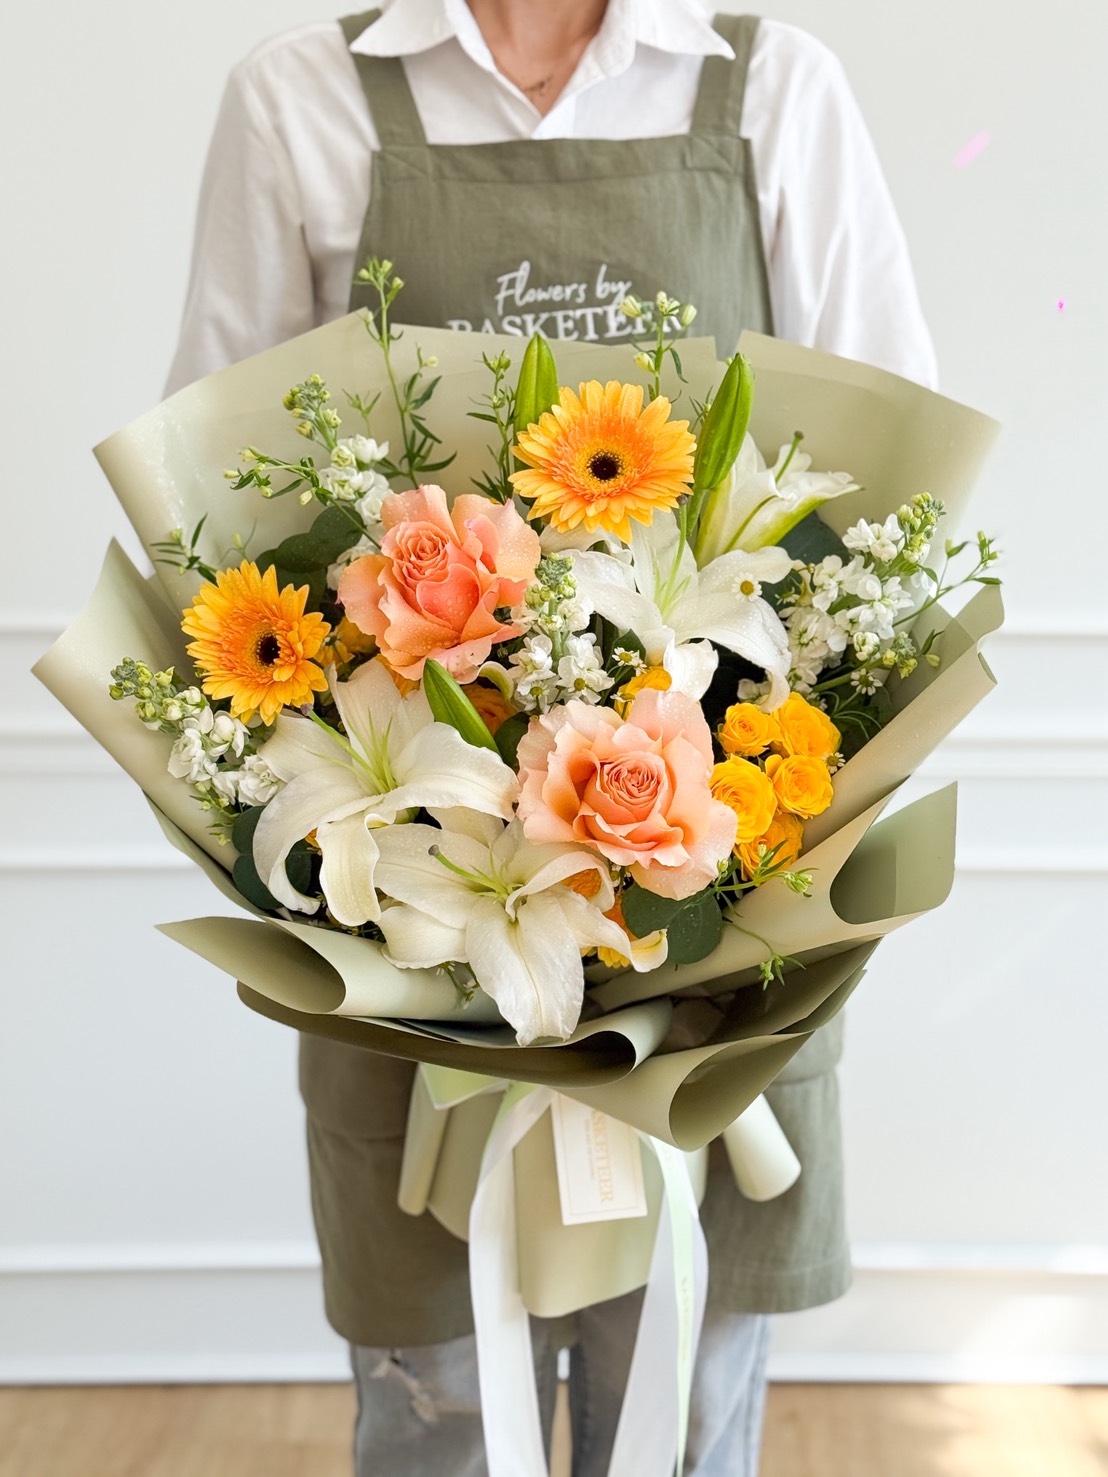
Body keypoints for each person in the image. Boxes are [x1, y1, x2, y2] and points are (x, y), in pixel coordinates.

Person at [166, 2, 937, 1472]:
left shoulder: (772, 88)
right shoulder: (303, 98)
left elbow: (891, 485)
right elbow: (223, 516)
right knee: (436, 1410)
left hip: (709, 898)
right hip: (417, 913)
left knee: (681, 1413)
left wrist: (783, 830)